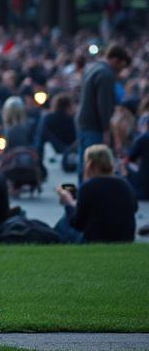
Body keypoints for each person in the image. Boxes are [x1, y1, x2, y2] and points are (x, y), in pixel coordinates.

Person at [54, 145, 138, 243]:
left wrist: (68, 203)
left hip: (95, 240)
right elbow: (134, 208)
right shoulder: (125, 184)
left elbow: (77, 223)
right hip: (125, 239)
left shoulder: (88, 187)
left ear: (89, 164)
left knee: (64, 221)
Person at [76, 45, 131, 184]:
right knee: (94, 163)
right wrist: (106, 129)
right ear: (115, 59)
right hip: (95, 124)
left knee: (85, 161)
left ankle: (83, 193)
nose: (120, 70)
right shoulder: (106, 74)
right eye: (121, 65)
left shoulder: (92, 68)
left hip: (83, 121)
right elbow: (104, 104)